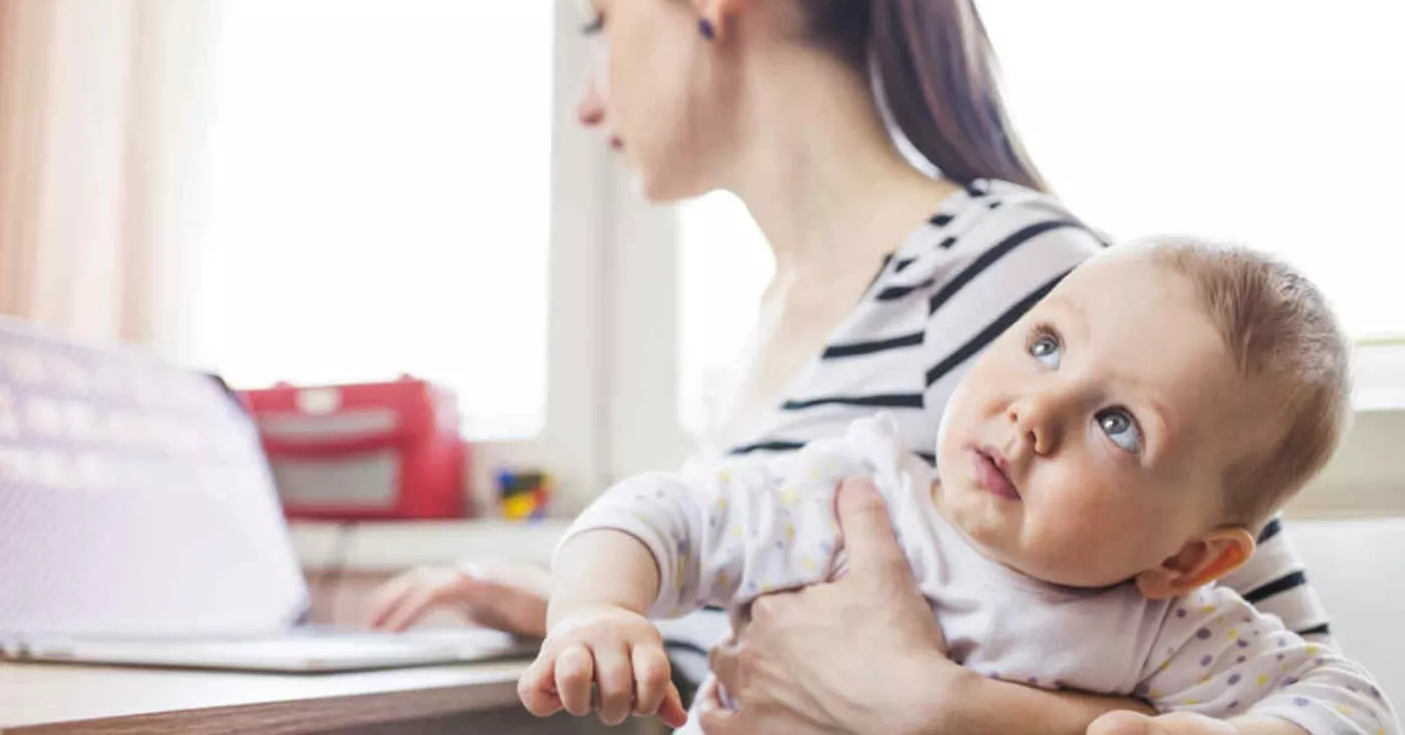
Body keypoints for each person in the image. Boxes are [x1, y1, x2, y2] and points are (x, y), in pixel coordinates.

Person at [365, 0, 1337, 731]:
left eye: (601, 22)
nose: (585, 100)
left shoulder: (996, 268)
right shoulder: (769, 328)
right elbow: (802, 624)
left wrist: (935, 714)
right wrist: (587, 609)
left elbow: (1275, 688)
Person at [521, 237, 1397, 735]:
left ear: (1193, 557)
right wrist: (597, 613)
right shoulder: (849, 495)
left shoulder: (1165, 632)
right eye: (1047, 344)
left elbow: (1352, 707)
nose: (1034, 413)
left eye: (1118, 424)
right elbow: (663, 512)